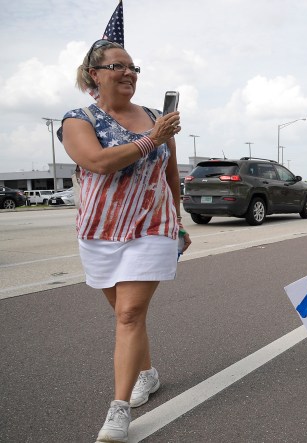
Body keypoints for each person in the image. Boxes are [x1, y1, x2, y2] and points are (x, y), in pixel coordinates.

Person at [58, 39, 191, 443]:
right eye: (118, 66)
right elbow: (97, 162)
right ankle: (146, 373)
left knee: (129, 314)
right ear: (94, 75)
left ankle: (118, 411)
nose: (129, 73)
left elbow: (169, 174)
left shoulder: (156, 116)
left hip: (152, 227)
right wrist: (154, 137)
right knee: (124, 314)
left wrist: (178, 221)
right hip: (99, 232)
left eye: (133, 67)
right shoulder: (78, 119)